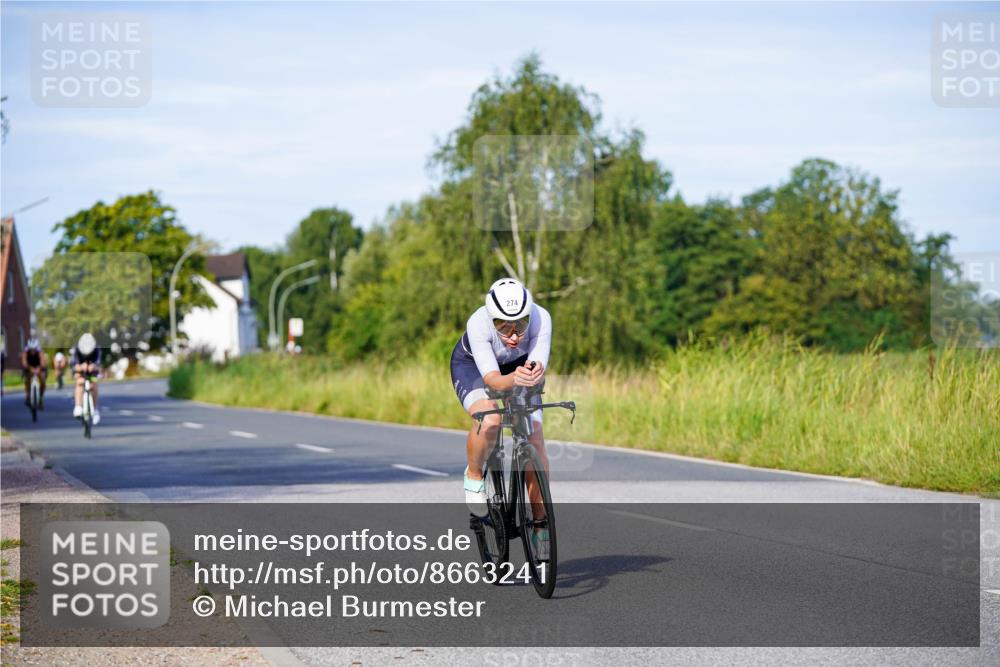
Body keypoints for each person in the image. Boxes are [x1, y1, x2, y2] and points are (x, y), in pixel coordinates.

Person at [450, 278, 552, 530]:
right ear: (491, 318)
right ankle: (474, 475)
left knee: (535, 436)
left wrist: (532, 373)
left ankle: (540, 522)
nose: (515, 335)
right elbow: (492, 379)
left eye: (521, 323)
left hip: (515, 370)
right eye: (503, 326)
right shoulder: (478, 323)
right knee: (491, 418)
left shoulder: (542, 317)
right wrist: (512, 381)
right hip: (474, 368)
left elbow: (537, 364)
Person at [71, 333, 102, 425]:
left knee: (94, 384)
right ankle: (78, 406)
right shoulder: (76, 349)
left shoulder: (97, 349)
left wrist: (93, 366)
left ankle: (95, 410)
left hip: (92, 370)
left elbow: (98, 363)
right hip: (80, 369)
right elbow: (74, 364)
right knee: (79, 382)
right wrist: (80, 367)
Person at [20, 335, 48, 410]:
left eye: (34, 350)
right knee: (27, 379)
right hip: (29, 367)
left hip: (38, 366)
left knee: (42, 380)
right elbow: (24, 361)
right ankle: (28, 396)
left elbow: (43, 361)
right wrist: (29, 368)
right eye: (31, 349)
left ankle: (41, 399)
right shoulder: (26, 351)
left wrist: (40, 367)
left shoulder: (40, 351)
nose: (32, 351)